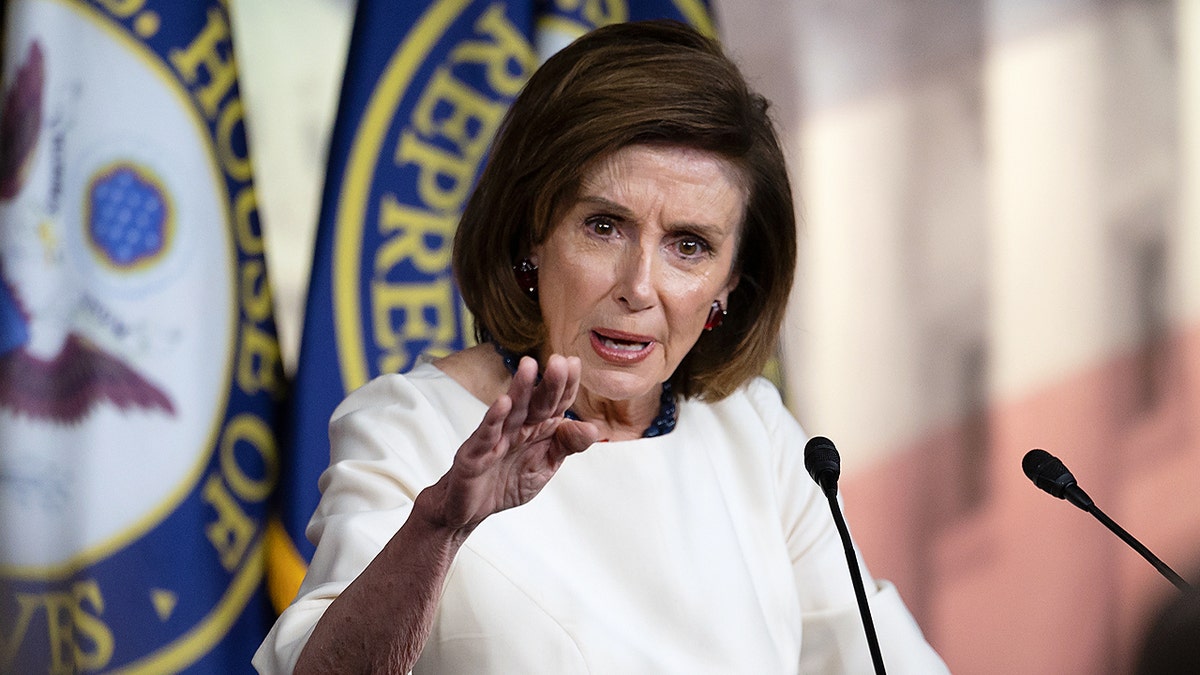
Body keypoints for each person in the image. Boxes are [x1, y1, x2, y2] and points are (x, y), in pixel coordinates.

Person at [255, 20, 947, 674]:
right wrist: (436, 530)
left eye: (689, 245)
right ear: (534, 232)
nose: (639, 285)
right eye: (605, 226)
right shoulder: (409, 428)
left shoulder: (755, 432)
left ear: (730, 285)